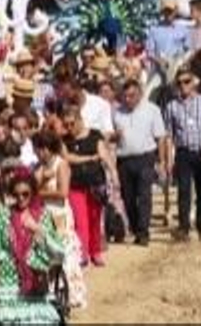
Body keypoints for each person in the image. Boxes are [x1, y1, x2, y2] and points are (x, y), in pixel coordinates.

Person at [0, 172, 63, 325]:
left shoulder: (43, 215)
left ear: (33, 193)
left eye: (25, 194)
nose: (20, 198)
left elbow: (58, 252)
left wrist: (38, 230)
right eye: (16, 194)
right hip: (8, 283)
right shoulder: (3, 214)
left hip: (36, 282)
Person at [162, 69, 201, 241]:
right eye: (179, 83)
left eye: (186, 81)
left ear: (194, 82)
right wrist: (169, 159)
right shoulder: (171, 106)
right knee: (184, 191)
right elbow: (169, 135)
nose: (183, 86)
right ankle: (184, 228)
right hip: (183, 152)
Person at [34, 131, 87, 313]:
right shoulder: (40, 167)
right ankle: (49, 295)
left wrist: (40, 192)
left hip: (60, 215)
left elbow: (63, 192)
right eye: (38, 149)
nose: (39, 153)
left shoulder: (61, 164)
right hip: (45, 214)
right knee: (47, 255)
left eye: (42, 149)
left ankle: (70, 296)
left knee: (65, 255)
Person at [112, 80, 168, 247]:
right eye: (126, 96)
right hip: (124, 159)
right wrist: (115, 136)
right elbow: (111, 138)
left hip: (145, 157)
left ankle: (143, 232)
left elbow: (161, 137)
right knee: (128, 197)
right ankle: (136, 228)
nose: (128, 99)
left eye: (132, 95)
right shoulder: (117, 113)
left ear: (140, 94)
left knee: (144, 195)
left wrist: (162, 160)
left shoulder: (152, 110)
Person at [62, 104, 109, 267]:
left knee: (95, 218)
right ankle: (83, 253)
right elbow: (68, 158)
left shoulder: (95, 135)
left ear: (80, 120)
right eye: (66, 124)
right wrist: (90, 158)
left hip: (95, 182)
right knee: (80, 220)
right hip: (75, 184)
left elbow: (103, 154)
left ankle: (95, 251)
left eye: (72, 123)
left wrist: (113, 172)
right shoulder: (65, 140)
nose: (69, 128)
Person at [145, 0, 191, 67]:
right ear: (162, 12)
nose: (168, 14)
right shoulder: (154, 30)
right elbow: (150, 51)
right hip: (160, 67)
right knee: (155, 78)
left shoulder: (183, 30)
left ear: (176, 11)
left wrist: (183, 60)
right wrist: (158, 60)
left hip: (179, 66)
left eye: (170, 11)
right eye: (166, 11)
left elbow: (188, 49)